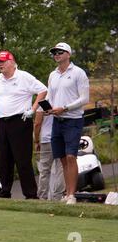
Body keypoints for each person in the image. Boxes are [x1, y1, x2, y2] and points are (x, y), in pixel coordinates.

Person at [0, 51, 47, 199]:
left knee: (22, 160)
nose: (0, 64)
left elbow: (43, 90)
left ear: (12, 62)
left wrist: (33, 109)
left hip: (20, 121)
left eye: (3, 61)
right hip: (3, 123)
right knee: (4, 159)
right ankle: (5, 191)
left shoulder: (23, 76)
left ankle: (30, 194)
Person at [46, 42, 89, 204]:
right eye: (54, 52)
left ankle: (72, 194)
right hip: (56, 121)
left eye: (60, 52)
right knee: (63, 159)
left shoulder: (78, 73)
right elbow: (50, 96)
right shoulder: (53, 75)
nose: (56, 54)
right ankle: (67, 193)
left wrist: (64, 108)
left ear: (68, 54)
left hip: (73, 120)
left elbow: (85, 98)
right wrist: (47, 108)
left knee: (71, 157)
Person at [34, 108, 65, 200]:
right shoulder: (60, 100)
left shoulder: (42, 104)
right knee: (61, 168)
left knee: (44, 170)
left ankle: (42, 196)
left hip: (46, 139)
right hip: (60, 137)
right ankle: (58, 195)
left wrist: (36, 140)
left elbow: (37, 123)